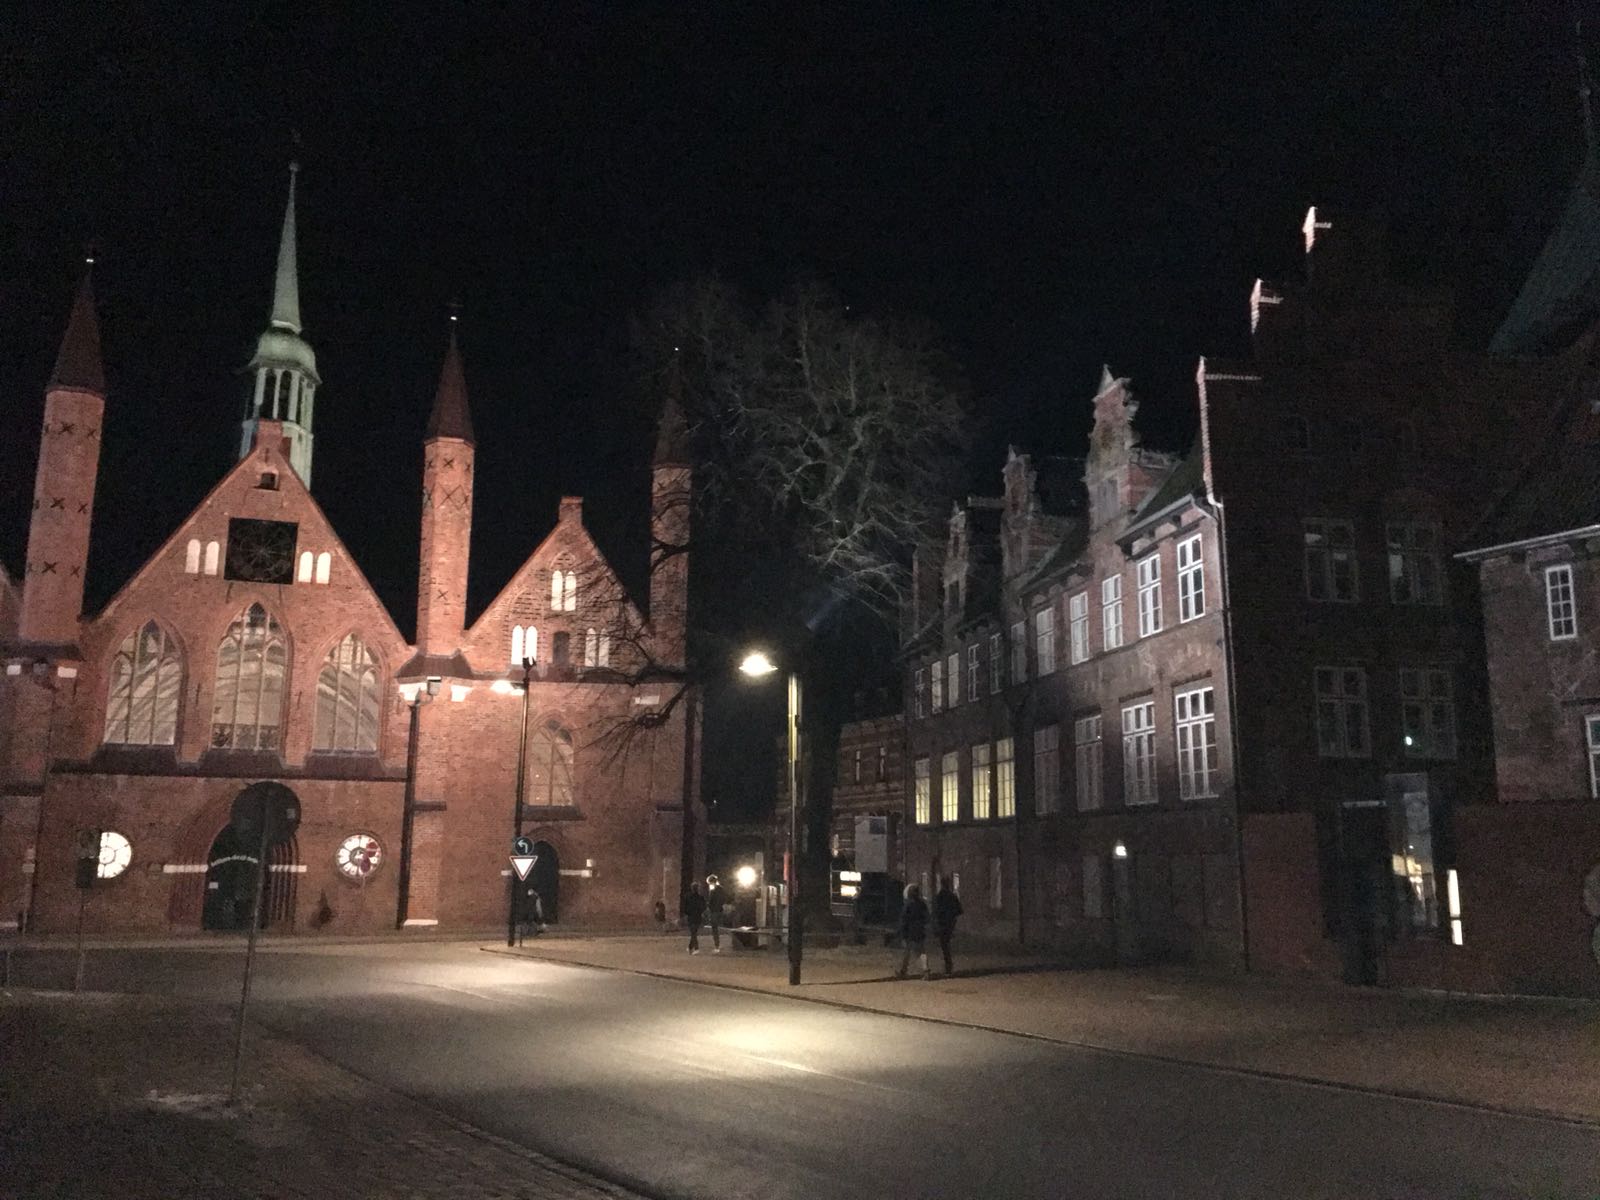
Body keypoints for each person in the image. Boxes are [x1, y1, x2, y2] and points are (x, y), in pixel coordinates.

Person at [896, 883, 930, 980]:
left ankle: (903, 971)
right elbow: (927, 917)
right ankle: (925, 970)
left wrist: (901, 932)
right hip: (920, 930)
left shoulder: (908, 904)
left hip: (910, 931)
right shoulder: (922, 904)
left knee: (907, 951)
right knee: (921, 951)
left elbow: (904, 919)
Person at [932, 877, 963, 977]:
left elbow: (935, 911)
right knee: (946, 943)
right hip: (950, 923)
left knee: (944, 944)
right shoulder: (952, 896)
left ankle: (948, 966)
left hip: (943, 923)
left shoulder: (940, 896)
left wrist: (936, 921)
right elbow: (959, 910)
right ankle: (948, 966)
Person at [705, 874, 730, 953]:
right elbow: (725, 898)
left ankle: (717, 945)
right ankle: (717, 945)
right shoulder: (721, 889)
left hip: (714, 911)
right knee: (717, 928)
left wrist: (708, 906)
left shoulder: (713, 890)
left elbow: (711, 901)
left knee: (714, 929)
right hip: (720, 910)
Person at [684, 882, 707, 954]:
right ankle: (690, 946)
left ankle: (696, 948)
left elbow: (685, 907)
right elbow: (704, 907)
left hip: (691, 916)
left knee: (693, 932)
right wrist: (700, 912)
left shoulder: (688, 896)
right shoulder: (700, 897)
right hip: (697, 917)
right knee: (694, 932)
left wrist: (687, 913)